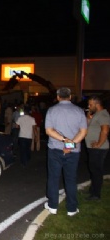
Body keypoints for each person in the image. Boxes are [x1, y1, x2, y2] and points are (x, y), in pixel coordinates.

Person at [44, 87, 87, 216]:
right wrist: (70, 145)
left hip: (55, 150)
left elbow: (49, 131)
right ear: (70, 97)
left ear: (58, 97)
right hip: (73, 151)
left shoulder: (52, 111)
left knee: (53, 178)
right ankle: (71, 209)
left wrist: (64, 140)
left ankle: (53, 206)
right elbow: (83, 132)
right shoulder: (79, 111)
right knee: (71, 179)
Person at [84, 95, 110, 201]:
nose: (89, 106)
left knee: (96, 171)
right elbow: (88, 125)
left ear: (97, 104)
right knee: (93, 169)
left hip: (99, 149)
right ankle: (92, 190)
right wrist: (88, 116)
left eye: (90, 104)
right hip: (93, 148)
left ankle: (96, 194)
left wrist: (99, 144)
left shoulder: (103, 115)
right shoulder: (97, 114)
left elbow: (105, 130)